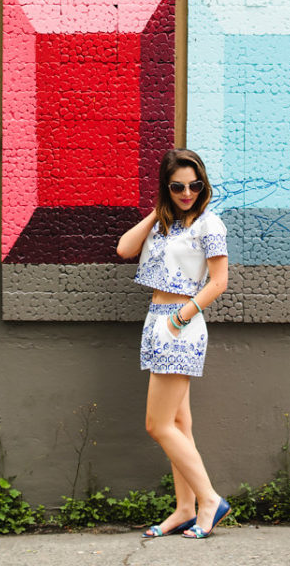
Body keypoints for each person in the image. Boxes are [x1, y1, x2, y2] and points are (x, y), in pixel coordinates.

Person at [116, 148, 230, 540]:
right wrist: (158, 210)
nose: (187, 193)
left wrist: (181, 318)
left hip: (181, 322)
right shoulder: (164, 225)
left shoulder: (209, 225)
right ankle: (185, 508)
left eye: (195, 185)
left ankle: (209, 500)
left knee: (157, 424)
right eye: (178, 186)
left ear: (204, 185)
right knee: (179, 423)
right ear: (167, 187)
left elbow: (219, 282)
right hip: (156, 320)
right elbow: (124, 249)